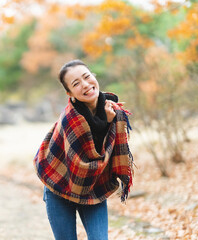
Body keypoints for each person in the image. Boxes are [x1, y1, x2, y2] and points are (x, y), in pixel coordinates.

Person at [33, 59, 134, 240]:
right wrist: (105, 124)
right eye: (76, 84)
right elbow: (84, 154)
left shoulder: (112, 110)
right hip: (60, 186)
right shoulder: (70, 119)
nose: (85, 85)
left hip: (93, 187)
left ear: (93, 76)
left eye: (87, 77)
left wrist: (108, 122)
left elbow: (103, 152)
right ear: (69, 93)